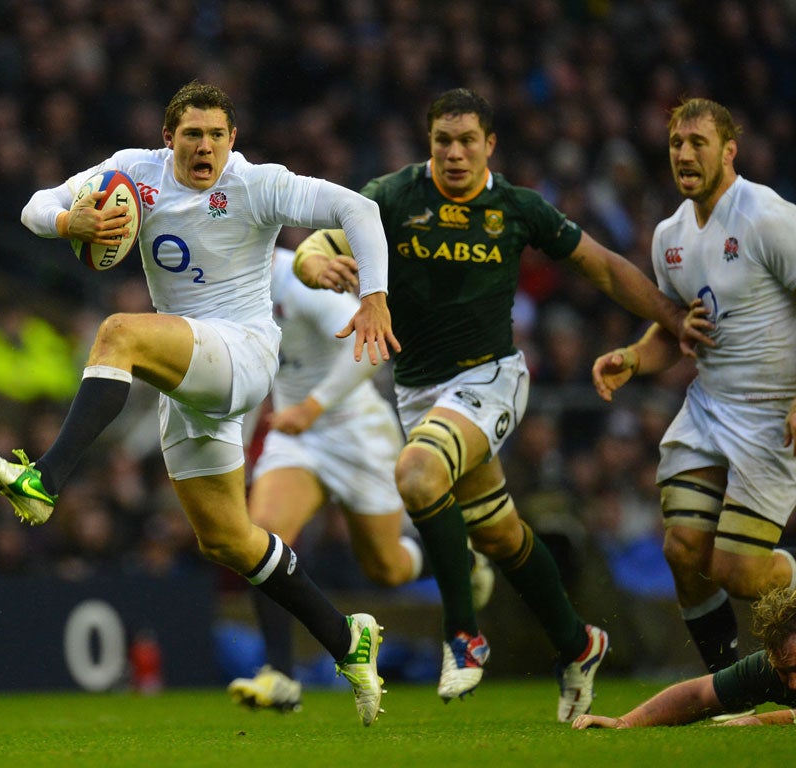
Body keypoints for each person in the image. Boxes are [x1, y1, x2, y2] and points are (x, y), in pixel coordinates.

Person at [0, 81, 398, 726]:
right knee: (228, 541)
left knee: (118, 332)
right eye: (192, 134)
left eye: (217, 135)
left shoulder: (258, 184)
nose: (205, 147)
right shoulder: (134, 172)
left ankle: (45, 479)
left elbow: (359, 210)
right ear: (168, 138)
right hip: (190, 370)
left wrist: (375, 294)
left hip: (246, 352)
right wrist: (70, 221)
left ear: (233, 140)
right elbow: (36, 205)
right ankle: (347, 639)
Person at [293, 87, 706, 722]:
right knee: (499, 531)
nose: (454, 154)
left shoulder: (515, 208)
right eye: (442, 142)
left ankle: (463, 634)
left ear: (490, 144)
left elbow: (602, 267)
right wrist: (318, 266)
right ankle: (579, 642)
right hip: (419, 390)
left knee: (417, 473)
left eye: (467, 142)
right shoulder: (392, 197)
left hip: (491, 378)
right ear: (428, 143)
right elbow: (313, 247)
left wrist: (670, 317)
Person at [226, 248, 495, 712]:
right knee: (259, 540)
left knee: (386, 567)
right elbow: (247, 376)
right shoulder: (228, 290)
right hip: (296, 436)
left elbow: (372, 345)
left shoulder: (295, 278)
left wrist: (313, 405)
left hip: (354, 429)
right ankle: (280, 676)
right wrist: (240, 454)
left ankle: (461, 560)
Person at [591, 98, 796, 696]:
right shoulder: (669, 236)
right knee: (683, 549)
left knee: (738, 570)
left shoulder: (766, 216)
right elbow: (677, 329)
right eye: (677, 142)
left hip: (769, 414)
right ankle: (726, 683)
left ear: (729, 151)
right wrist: (633, 357)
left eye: (698, 142)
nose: (684, 153)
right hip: (709, 407)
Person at [573, 587, 796, 728]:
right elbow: (698, 695)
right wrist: (626, 722)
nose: (793, 683)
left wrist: (759, 721)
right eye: (784, 672)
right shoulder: (770, 664)